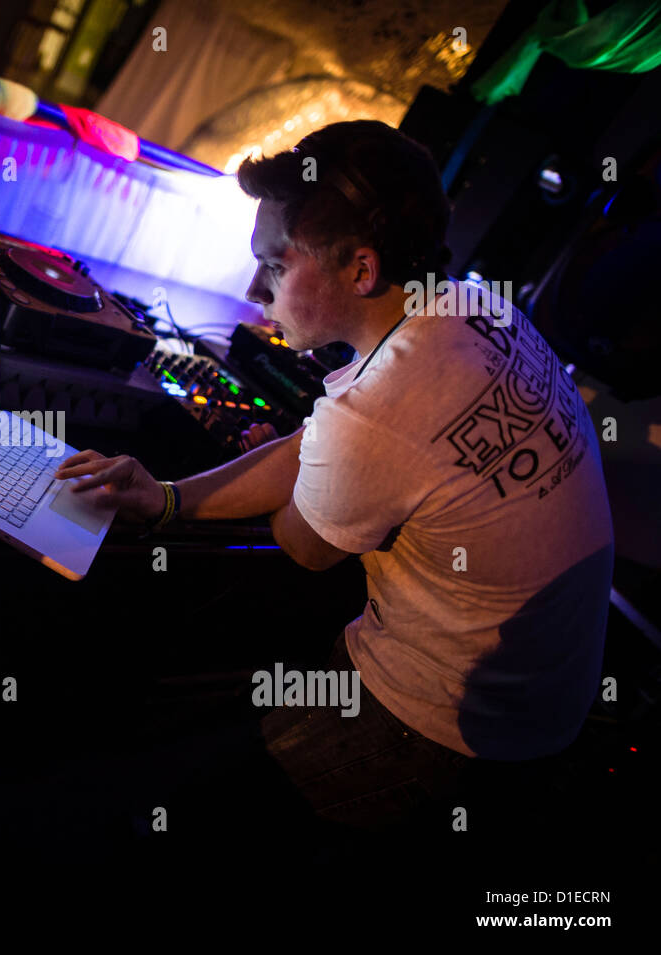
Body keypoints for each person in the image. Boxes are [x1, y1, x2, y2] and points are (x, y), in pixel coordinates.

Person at [53, 120, 615, 833]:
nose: (256, 289)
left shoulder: (377, 410)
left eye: (277, 267)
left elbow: (306, 545)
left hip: (444, 723)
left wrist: (313, 466)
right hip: (546, 705)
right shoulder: (477, 306)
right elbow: (321, 440)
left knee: (181, 818)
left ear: (361, 271)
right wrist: (167, 499)